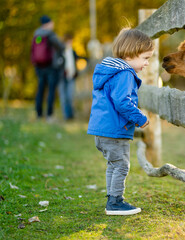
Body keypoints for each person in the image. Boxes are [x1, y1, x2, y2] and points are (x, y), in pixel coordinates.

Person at [87, 28, 153, 215]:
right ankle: (115, 202)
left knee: (114, 164)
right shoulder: (125, 74)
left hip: (102, 130)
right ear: (131, 54)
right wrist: (140, 118)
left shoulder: (110, 71)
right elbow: (122, 102)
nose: (147, 63)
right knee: (122, 165)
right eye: (145, 58)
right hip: (114, 130)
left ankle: (112, 198)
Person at [31, 15, 64, 122]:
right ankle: (49, 114)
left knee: (40, 90)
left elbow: (32, 50)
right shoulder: (50, 34)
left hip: (39, 67)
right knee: (51, 90)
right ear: (49, 23)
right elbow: (61, 46)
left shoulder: (36, 35)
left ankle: (39, 113)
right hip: (50, 66)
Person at [59, 33, 81, 120]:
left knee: (70, 96)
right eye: (68, 41)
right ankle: (66, 115)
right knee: (63, 97)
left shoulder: (73, 51)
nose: (70, 43)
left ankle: (71, 115)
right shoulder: (60, 51)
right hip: (61, 77)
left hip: (71, 76)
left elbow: (77, 60)